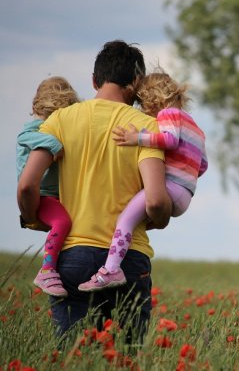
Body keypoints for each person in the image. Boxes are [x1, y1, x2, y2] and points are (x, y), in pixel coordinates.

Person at [17, 40, 172, 344]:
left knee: (73, 357)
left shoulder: (59, 120)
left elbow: (26, 185)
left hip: (72, 257)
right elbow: (155, 201)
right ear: (136, 83)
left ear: (93, 80)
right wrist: (162, 217)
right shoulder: (146, 128)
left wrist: (33, 217)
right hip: (128, 260)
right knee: (125, 359)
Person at [78, 70, 208, 292]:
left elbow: (169, 140)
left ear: (153, 99)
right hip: (185, 194)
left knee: (125, 220)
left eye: (143, 104)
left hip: (170, 188)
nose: (144, 110)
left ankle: (110, 270)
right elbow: (202, 165)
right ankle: (118, 259)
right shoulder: (196, 127)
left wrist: (136, 138)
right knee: (136, 220)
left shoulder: (168, 114)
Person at [16, 76, 79, 297]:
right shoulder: (35, 129)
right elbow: (24, 137)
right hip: (41, 195)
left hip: (53, 195)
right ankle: (47, 269)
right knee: (62, 221)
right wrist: (53, 144)